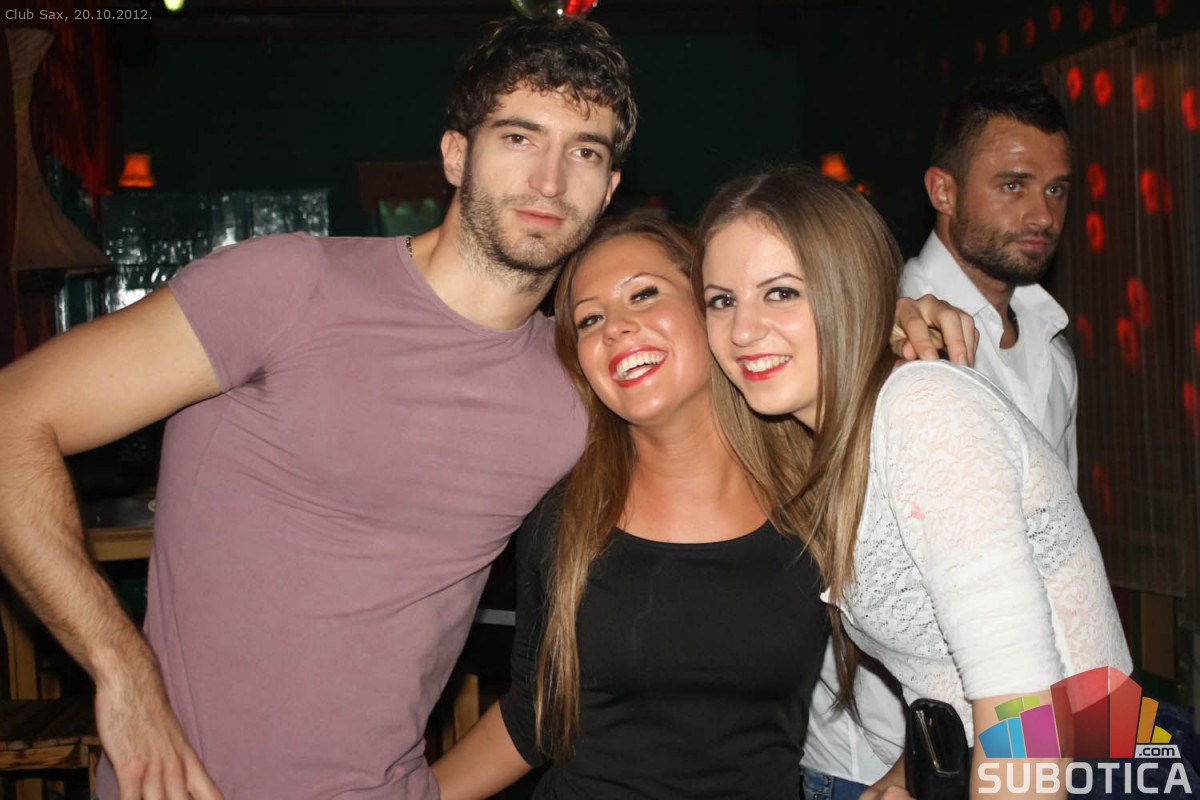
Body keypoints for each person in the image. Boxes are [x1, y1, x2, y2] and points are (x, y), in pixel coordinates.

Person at [0, 18, 971, 800]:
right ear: (456, 153)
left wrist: (878, 320)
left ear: (610, 186)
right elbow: (13, 419)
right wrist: (122, 675)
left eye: (583, 151)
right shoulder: (285, 286)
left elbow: (734, 355)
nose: (549, 180)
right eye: (519, 138)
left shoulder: (580, 379)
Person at [698, 167, 1132, 798]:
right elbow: (951, 666)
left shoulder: (923, 410)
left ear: (849, 290)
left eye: (782, 292)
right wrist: (908, 774)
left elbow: (1025, 708)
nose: (742, 330)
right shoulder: (825, 443)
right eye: (721, 300)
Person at [802, 75, 1079, 800]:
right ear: (943, 190)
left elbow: (1046, 568)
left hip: (1019, 730)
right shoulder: (882, 333)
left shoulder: (1048, 339)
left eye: (1056, 189)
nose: (1042, 213)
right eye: (1014, 185)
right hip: (880, 764)